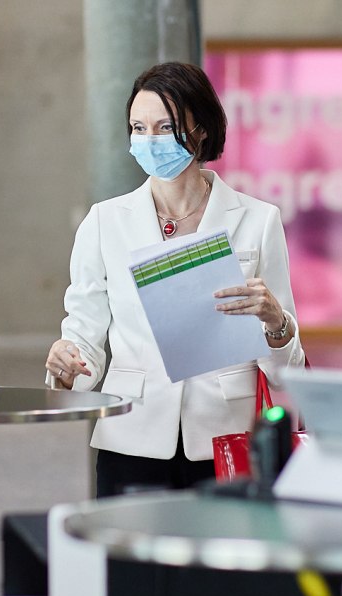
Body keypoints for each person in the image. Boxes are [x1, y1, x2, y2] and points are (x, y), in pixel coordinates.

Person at [45, 62, 306, 498]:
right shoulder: (105, 222)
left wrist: (277, 323)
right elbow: (84, 335)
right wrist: (68, 365)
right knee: (132, 566)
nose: (150, 140)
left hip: (226, 440)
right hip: (131, 434)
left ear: (200, 129)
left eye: (165, 127)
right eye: (138, 127)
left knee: (219, 566)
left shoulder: (259, 220)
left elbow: (286, 371)